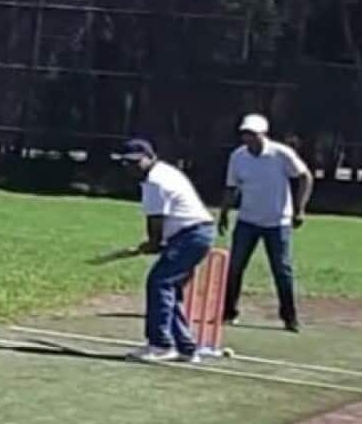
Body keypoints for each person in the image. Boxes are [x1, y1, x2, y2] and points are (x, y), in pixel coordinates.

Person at [117, 139, 217, 363]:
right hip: (193, 234)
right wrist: (158, 243)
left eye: (136, 161)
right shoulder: (163, 172)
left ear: (150, 157)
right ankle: (185, 347)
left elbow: (156, 220)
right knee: (170, 288)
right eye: (127, 162)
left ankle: (161, 344)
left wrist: (153, 243)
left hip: (192, 234)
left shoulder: (155, 181)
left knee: (159, 282)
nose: (132, 167)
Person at [218, 114, 314, 333]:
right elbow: (231, 187)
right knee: (235, 266)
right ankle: (229, 312)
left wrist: (299, 208)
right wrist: (224, 212)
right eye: (245, 134)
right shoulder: (238, 157)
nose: (248, 139)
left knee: (282, 269)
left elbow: (305, 177)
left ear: (263, 134)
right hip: (247, 220)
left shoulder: (281, 154)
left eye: (252, 135)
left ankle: (289, 317)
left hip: (277, 222)